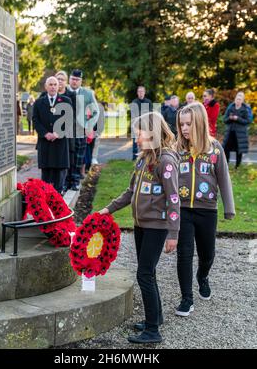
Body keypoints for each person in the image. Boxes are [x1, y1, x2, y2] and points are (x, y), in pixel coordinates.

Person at [99, 111, 180, 344]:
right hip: (141, 225)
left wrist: (173, 233)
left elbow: (174, 199)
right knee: (148, 272)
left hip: (157, 227)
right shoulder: (144, 159)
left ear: (152, 132)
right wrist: (107, 209)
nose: (136, 137)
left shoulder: (166, 161)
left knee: (144, 274)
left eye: (140, 132)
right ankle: (156, 317)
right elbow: (130, 192)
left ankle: (153, 331)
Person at [175, 102, 235, 317]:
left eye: (188, 124)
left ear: (199, 123)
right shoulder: (176, 150)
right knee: (184, 254)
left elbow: (224, 179)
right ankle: (186, 298)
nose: (184, 128)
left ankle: (203, 275)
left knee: (207, 253)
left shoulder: (215, 148)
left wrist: (229, 208)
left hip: (207, 210)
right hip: (182, 210)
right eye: (181, 124)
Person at [32, 76, 72, 193]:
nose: (53, 87)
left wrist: (58, 133)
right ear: (46, 87)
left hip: (60, 143)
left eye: (55, 84)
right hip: (45, 143)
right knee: (46, 175)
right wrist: (45, 133)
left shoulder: (66, 101)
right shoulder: (39, 102)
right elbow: (35, 120)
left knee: (59, 174)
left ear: (59, 86)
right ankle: (46, 200)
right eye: (50, 84)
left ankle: (58, 198)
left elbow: (69, 120)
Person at [66, 69, 99, 190]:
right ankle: (66, 181)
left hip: (81, 129)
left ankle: (75, 181)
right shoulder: (63, 91)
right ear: (69, 79)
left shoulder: (88, 93)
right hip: (65, 130)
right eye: (73, 79)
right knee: (67, 156)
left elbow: (96, 111)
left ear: (81, 81)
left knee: (78, 157)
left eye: (77, 80)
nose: (74, 82)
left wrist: (89, 126)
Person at [222, 92, 250, 168]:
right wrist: (230, 118)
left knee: (239, 150)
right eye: (237, 99)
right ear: (235, 99)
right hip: (230, 132)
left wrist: (238, 119)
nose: (238, 101)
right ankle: (226, 164)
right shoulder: (230, 107)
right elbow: (224, 119)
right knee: (226, 148)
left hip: (240, 134)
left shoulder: (245, 109)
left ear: (242, 101)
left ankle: (237, 166)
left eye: (240, 99)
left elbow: (247, 121)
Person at [131, 86, 153, 160]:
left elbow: (150, 114)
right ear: (137, 93)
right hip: (136, 125)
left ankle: (145, 157)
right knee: (135, 142)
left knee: (146, 142)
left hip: (145, 125)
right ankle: (134, 158)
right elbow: (134, 114)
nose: (141, 93)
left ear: (144, 92)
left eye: (142, 91)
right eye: (139, 91)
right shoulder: (134, 102)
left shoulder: (148, 102)